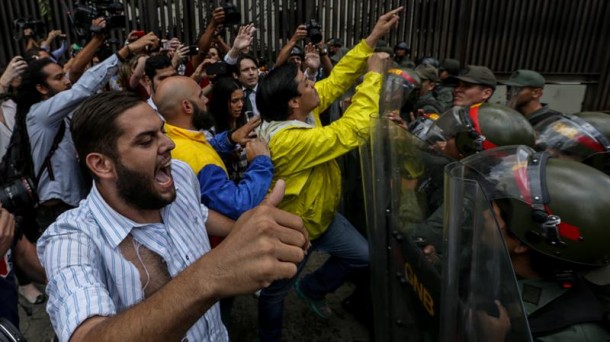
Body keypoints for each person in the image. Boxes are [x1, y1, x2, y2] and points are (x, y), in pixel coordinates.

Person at [37, 91, 309, 342]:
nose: (168, 144)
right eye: (146, 140)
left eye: (162, 131)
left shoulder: (178, 173)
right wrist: (212, 274)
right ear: (101, 164)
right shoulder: (70, 240)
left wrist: (247, 231)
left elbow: (197, 214)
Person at [255, 7, 403, 341]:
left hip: (323, 215)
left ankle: (313, 288)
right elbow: (352, 131)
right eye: (306, 82)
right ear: (294, 102)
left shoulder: (303, 112)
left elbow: (336, 80)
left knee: (362, 255)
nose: (314, 84)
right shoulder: (288, 139)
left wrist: (372, 38)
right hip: (294, 228)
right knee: (275, 293)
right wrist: (373, 76)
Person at [450, 147, 610, 340]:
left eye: (495, 214)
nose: (485, 215)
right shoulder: (498, 264)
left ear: (523, 243)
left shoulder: (574, 334)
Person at [18, 33, 159, 231]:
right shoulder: (39, 114)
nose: (67, 81)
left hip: (74, 200)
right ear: (41, 88)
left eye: (64, 75)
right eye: (59, 78)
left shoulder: (59, 112)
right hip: (57, 207)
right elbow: (82, 89)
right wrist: (125, 52)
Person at [154, 76, 273, 220]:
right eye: (200, 96)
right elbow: (238, 204)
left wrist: (230, 138)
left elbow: (202, 146)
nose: (206, 100)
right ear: (187, 106)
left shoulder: (167, 137)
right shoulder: (200, 161)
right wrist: (261, 161)